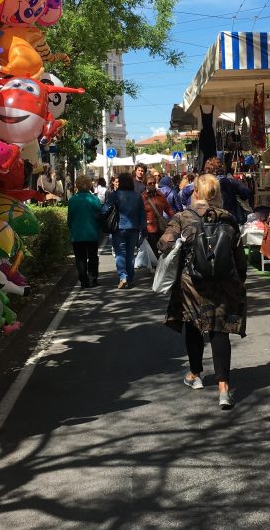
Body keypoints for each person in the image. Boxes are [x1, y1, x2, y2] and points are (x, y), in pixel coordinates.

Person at [159, 173, 247, 410]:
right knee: (220, 331)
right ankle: (223, 389)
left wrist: (179, 240)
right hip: (224, 282)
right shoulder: (228, 219)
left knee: (194, 325)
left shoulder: (183, 218)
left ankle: (195, 375)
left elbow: (164, 244)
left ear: (194, 192)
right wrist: (240, 281)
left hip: (192, 284)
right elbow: (239, 257)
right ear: (216, 193)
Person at [102, 172, 145, 289]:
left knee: (120, 253)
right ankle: (130, 278)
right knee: (131, 253)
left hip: (119, 228)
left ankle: (123, 277)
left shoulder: (115, 195)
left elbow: (105, 209)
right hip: (134, 228)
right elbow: (142, 213)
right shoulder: (137, 196)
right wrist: (144, 228)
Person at [67, 175, 102, 289]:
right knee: (93, 256)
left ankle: (83, 280)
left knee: (80, 257)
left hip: (77, 233)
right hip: (92, 232)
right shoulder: (95, 199)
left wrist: (70, 227)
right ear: (89, 185)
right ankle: (93, 277)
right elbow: (99, 215)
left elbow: (70, 218)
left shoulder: (72, 200)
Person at [204, 157, 251, 224]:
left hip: (210, 220)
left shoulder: (203, 183)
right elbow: (246, 192)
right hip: (229, 220)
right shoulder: (230, 182)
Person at [142, 173, 174, 255]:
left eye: (153, 183)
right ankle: (156, 266)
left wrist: (175, 219)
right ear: (145, 184)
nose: (152, 185)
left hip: (161, 227)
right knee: (154, 252)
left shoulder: (160, 195)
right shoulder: (143, 197)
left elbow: (168, 208)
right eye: (149, 183)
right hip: (149, 229)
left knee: (166, 249)